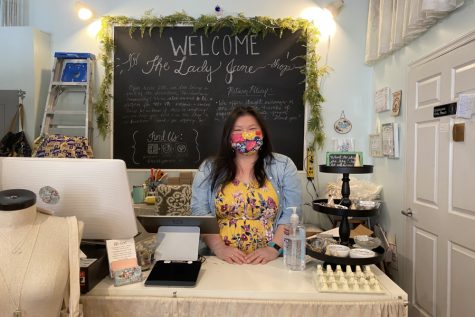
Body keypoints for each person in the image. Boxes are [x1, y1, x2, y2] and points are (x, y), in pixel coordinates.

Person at [191, 106, 302, 264]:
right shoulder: (209, 169)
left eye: (252, 129)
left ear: (262, 133)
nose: (246, 135)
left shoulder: (283, 165)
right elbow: (200, 213)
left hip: (270, 261)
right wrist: (220, 248)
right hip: (220, 260)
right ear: (228, 137)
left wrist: (273, 249)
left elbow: (293, 212)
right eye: (238, 130)